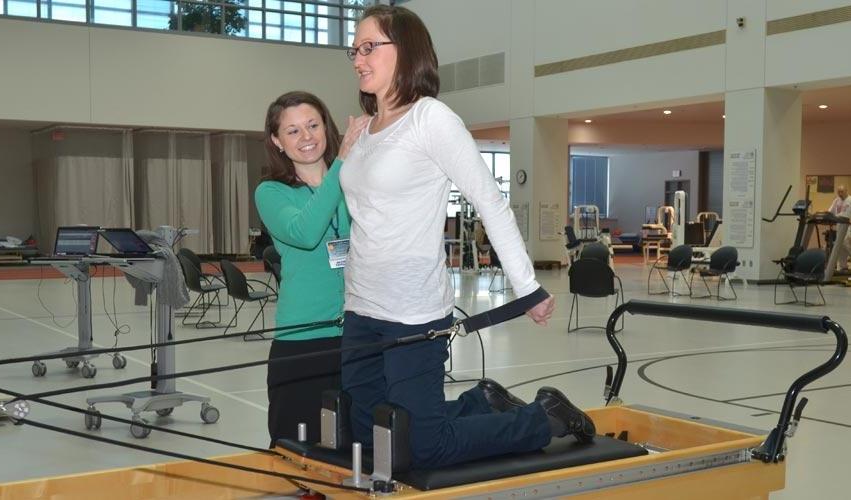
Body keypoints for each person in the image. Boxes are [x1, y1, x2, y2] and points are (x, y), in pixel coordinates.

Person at [338, 5, 595, 469]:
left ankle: (543, 419)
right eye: (354, 49)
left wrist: (527, 287)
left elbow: (489, 201)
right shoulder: (364, 131)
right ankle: (482, 402)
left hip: (412, 313)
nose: (358, 57)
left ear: (407, 50)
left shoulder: (431, 119)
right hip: (360, 307)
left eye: (369, 46)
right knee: (369, 436)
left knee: (422, 447)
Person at [254, 91, 369, 446]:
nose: (306, 137)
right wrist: (342, 164)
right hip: (302, 342)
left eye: (313, 125)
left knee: (356, 447)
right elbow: (304, 233)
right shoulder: (271, 192)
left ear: (326, 127)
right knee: (296, 447)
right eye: (292, 131)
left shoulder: (355, 183)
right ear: (277, 141)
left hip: (359, 334)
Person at [828, 185, 851, 271]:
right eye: (838, 192)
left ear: (846, 191)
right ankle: (843, 266)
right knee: (840, 245)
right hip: (839, 226)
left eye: (841, 192)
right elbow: (830, 211)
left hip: (849, 226)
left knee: (846, 243)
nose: (840, 194)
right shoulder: (836, 200)